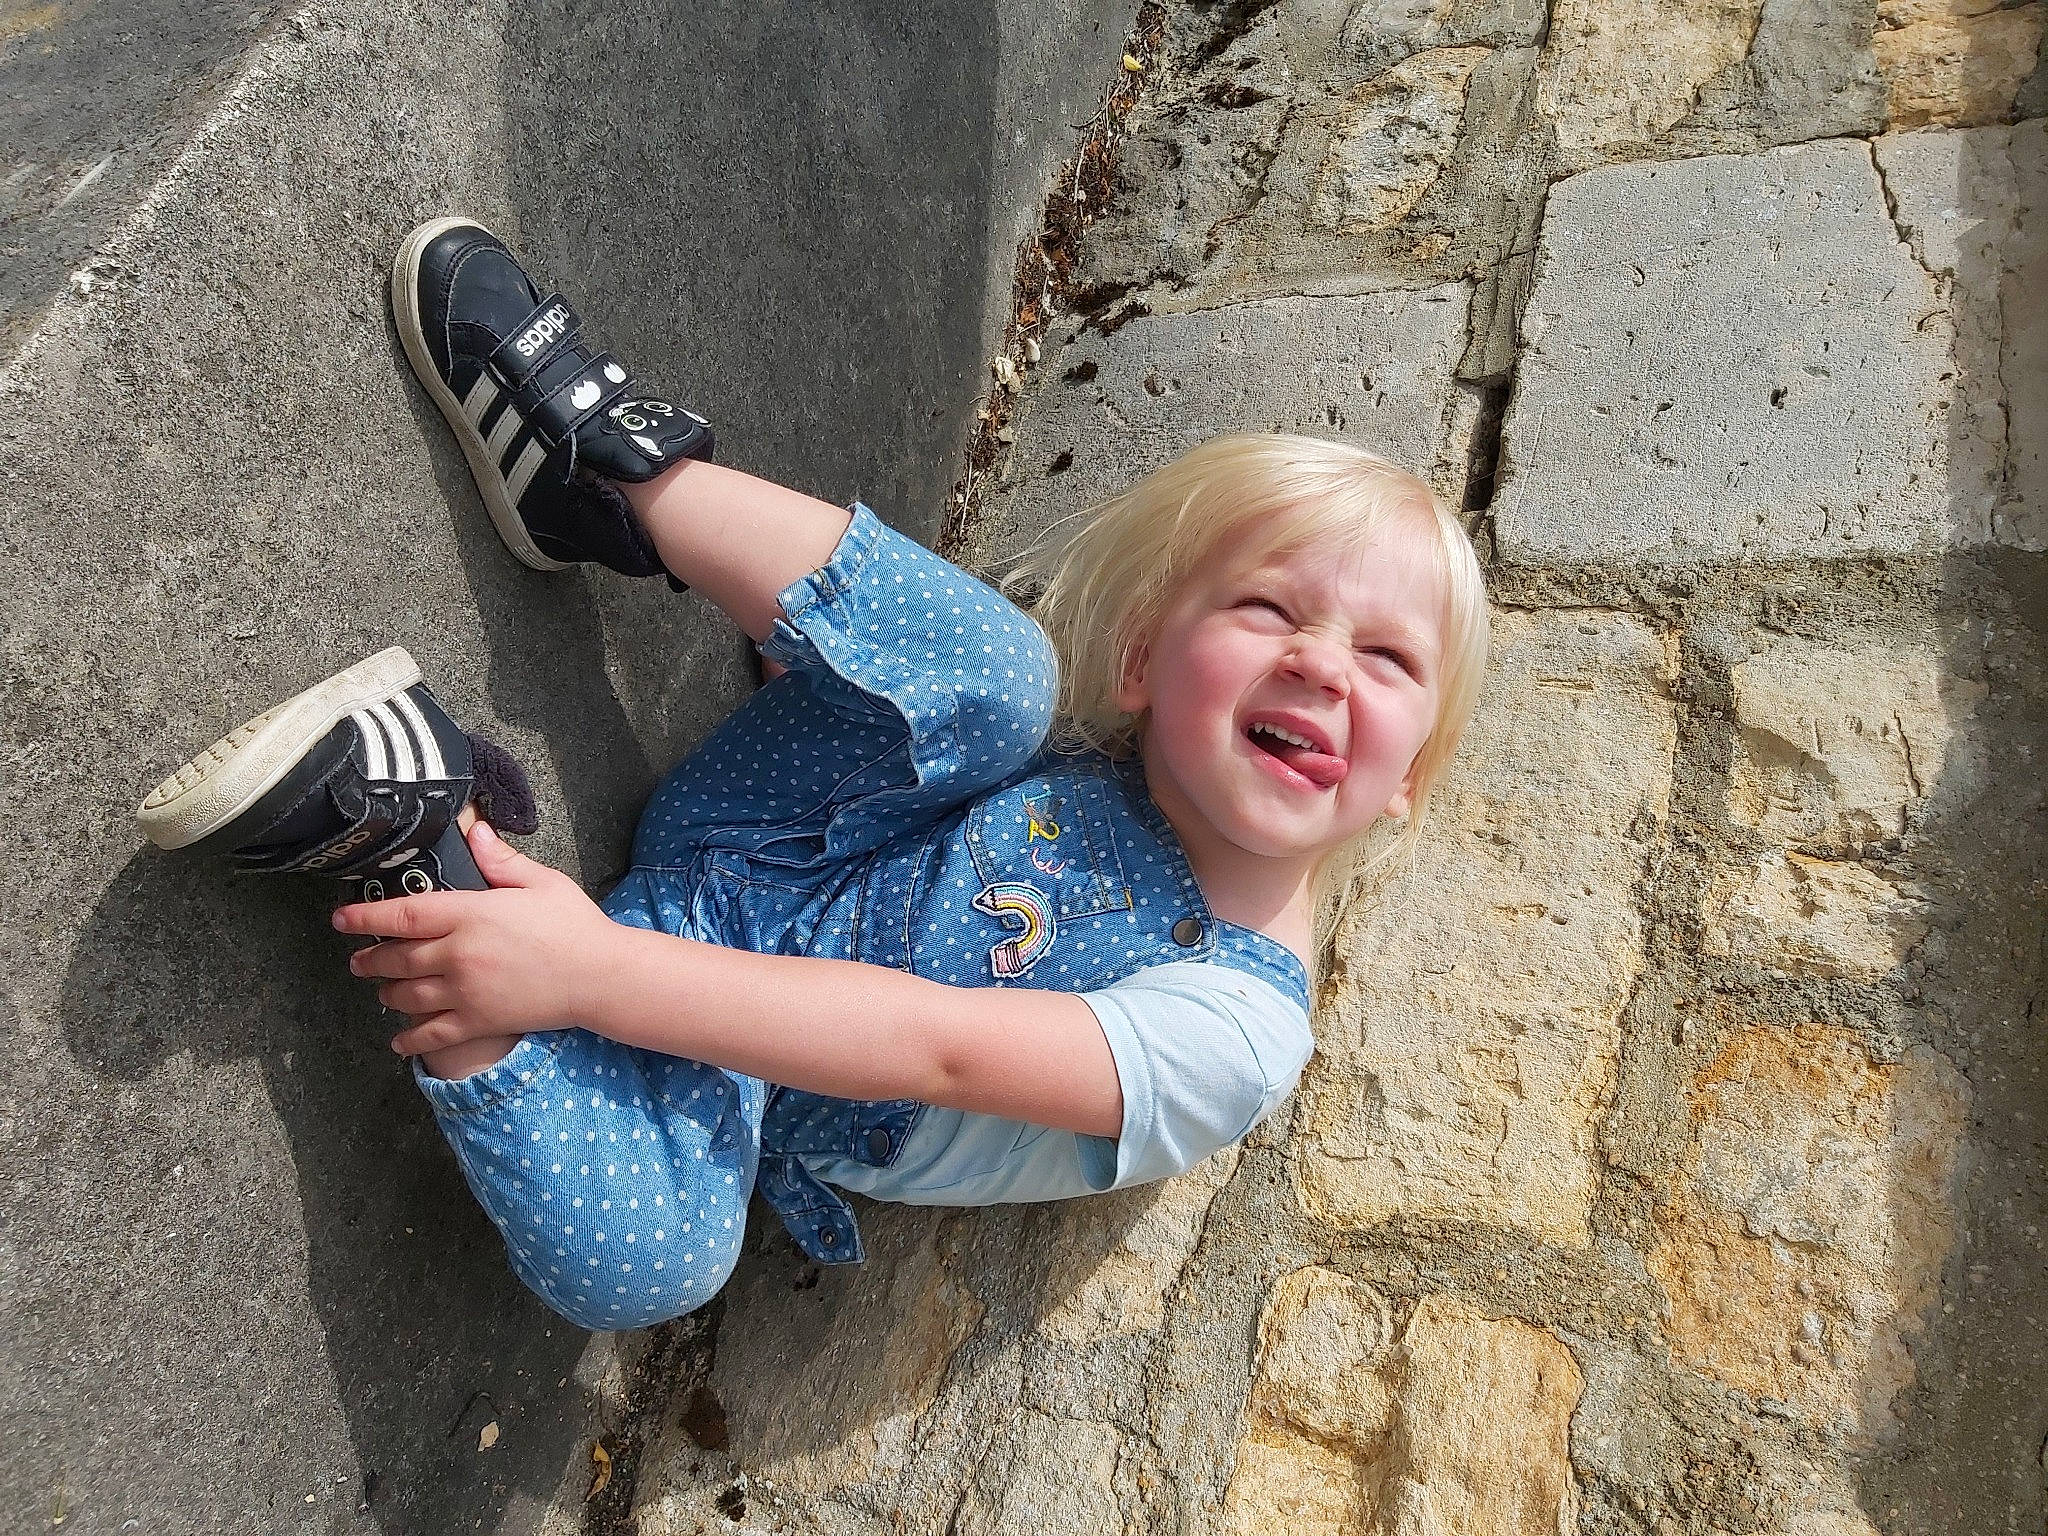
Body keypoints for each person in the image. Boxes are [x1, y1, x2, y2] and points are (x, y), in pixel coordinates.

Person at [136, 219, 1490, 1330]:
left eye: (1387, 657)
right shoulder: (1117, 739)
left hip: (719, 1075)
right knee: (1003, 672)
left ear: (1408, 780)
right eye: (1269, 612)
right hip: (767, 846)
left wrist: (587, 978)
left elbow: (938, 1044)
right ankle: (602, 465)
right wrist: (840, 660)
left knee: (655, 1267)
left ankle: (423, 857)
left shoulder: (1237, 1039)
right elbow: (941, 711)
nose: (1320, 663)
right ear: (1143, 667)